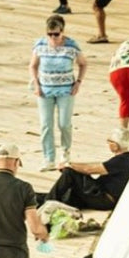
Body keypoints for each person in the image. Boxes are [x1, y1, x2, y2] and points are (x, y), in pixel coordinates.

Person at [29, 15, 86, 171]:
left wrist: (78, 82)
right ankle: (49, 158)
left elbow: (83, 64)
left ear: (62, 32)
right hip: (45, 90)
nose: (53, 37)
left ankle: (65, 153)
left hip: (66, 90)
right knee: (46, 125)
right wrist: (36, 83)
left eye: (56, 34)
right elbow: (33, 65)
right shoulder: (40, 45)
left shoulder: (71, 46)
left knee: (64, 124)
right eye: (50, 34)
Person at [38, 133, 129, 213]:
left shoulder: (122, 160)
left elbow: (90, 169)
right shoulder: (126, 158)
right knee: (64, 197)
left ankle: (47, 203)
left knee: (69, 172)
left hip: (104, 199)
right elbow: (93, 166)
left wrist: (69, 165)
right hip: (100, 194)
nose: (108, 143)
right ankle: (38, 200)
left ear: (115, 146)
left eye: (109, 141)